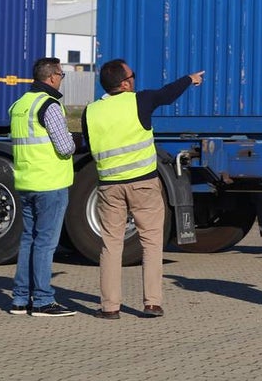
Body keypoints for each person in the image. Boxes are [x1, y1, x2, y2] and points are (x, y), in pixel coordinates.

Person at [82, 59, 204, 320]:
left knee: (111, 246)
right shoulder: (139, 100)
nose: (135, 79)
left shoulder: (90, 111)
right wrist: (189, 79)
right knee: (151, 243)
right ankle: (152, 304)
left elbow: (89, 144)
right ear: (125, 83)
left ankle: (110, 307)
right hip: (143, 184)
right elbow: (167, 95)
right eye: (132, 75)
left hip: (108, 187)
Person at [8, 57, 76, 317]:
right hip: (50, 183)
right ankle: (43, 301)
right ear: (51, 77)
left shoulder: (19, 104)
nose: (61, 79)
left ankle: (20, 299)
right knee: (46, 243)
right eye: (61, 74)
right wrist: (74, 141)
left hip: (26, 182)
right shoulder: (49, 105)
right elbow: (64, 146)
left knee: (29, 240)